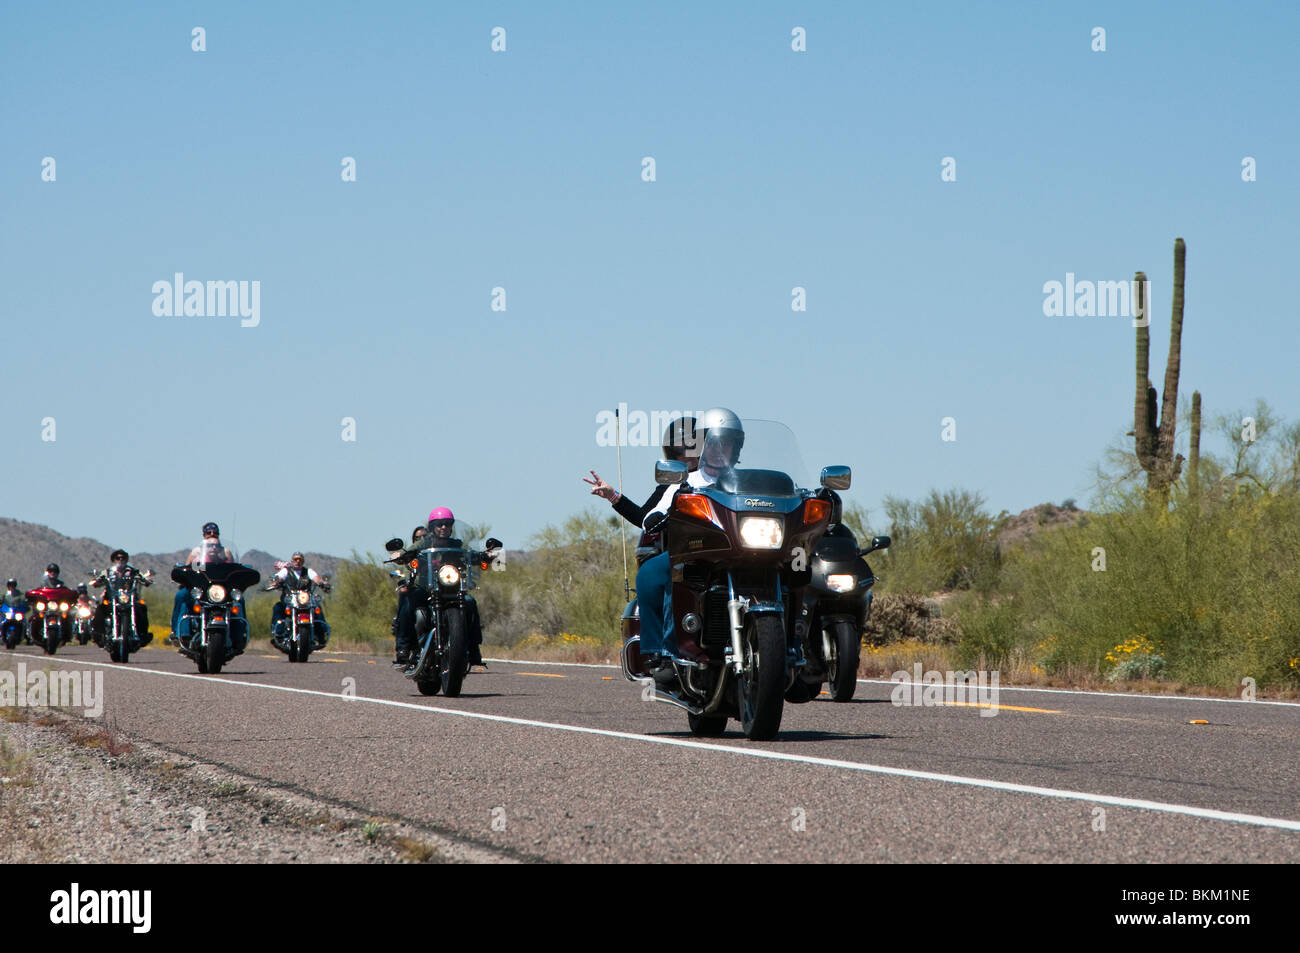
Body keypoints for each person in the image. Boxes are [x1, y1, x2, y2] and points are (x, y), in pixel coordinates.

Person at [633, 408, 745, 665]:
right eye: (712, 442)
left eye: (726, 443)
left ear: (736, 448)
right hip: (695, 553)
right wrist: (656, 516)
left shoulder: (746, 482)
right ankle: (659, 652)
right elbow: (659, 508)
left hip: (740, 552)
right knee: (651, 574)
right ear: (701, 445)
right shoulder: (686, 482)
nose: (719, 449)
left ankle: (792, 647)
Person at [390, 508, 487, 668]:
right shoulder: (425, 543)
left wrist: (483, 556)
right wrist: (400, 555)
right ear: (433, 527)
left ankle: (473, 648)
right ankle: (404, 648)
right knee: (408, 600)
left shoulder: (457, 545)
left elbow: (470, 553)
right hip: (426, 587)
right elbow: (410, 550)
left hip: (451, 588)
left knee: (470, 602)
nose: (443, 527)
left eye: (447, 524)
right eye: (440, 524)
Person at [584, 416, 702, 527]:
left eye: (692, 446)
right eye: (678, 449)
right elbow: (644, 519)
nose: (686, 453)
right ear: (671, 453)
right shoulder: (672, 485)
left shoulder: (717, 478)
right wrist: (612, 495)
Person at [170, 522, 245, 646]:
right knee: (181, 596)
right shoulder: (197, 553)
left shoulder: (225, 553)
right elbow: (189, 571)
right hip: (201, 590)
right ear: (204, 535)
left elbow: (233, 571)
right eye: (209, 533)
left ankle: (240, 635)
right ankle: (180, 633)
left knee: (239, 601)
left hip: (221, 591)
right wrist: (183, 578)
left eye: (215, 533)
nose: (212, 535)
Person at [91, 549, 153, 648]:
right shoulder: (107, 572)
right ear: (114, 560)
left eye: (123, 558)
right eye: (118, 558)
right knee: (100, 609)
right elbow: (98, 580)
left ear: (126, 559)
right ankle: (99, 635)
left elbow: (143, 578)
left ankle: (143, 635)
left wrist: (146, 580)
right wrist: (96, 581)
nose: (120, 560)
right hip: (112, 599)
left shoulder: (133, 571)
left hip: (129, 599)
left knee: (142, 608)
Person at [268, 552, 331, 649]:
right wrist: (276, 582)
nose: (298, 562)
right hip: (289, 600)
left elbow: (316, 578)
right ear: (292, 561)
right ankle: (278, 634)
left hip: (305, 600)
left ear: (303, 561)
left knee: (317, 608)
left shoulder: (308, 571)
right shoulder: (286, 571)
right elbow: (279, 577)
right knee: (278, 607)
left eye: (300, 560)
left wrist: (322, 583)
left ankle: (321, 634)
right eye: (296, 559)